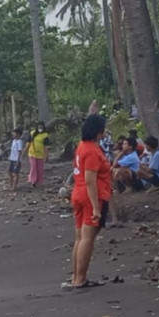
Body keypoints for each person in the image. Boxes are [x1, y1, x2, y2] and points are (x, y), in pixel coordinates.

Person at [67, 114, 112, 289]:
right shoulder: (92, 151)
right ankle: (80, 279)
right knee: (87, 238)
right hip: (90, 196)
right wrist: (96, 208)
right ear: (98, 132)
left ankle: (76, 277)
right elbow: (90, 180)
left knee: (80, 238)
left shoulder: (82, 146)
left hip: (78, 194)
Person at [26, 122, 50, 187]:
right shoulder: (32, 133)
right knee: (33, 167)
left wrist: (46, 156)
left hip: (40, 154)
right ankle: (33, 181)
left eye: (41, 127)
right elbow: (28, 143)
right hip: (32, 153)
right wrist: (24, 151)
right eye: (39, 127)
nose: (40, 128)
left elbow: (46, 147)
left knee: (40, 168)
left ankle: (39, 182)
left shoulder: (45, 135)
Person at [7, 127, 25, 191]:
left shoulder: (19, 142)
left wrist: (18, 160)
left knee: (16, 173)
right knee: (9, 172)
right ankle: (10, 185)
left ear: (18, 134)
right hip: (12, 159)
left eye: (14, 133)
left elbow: (19, 151)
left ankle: (14, 186)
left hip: (16, 160)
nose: (13, 134)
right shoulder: (13, 141)